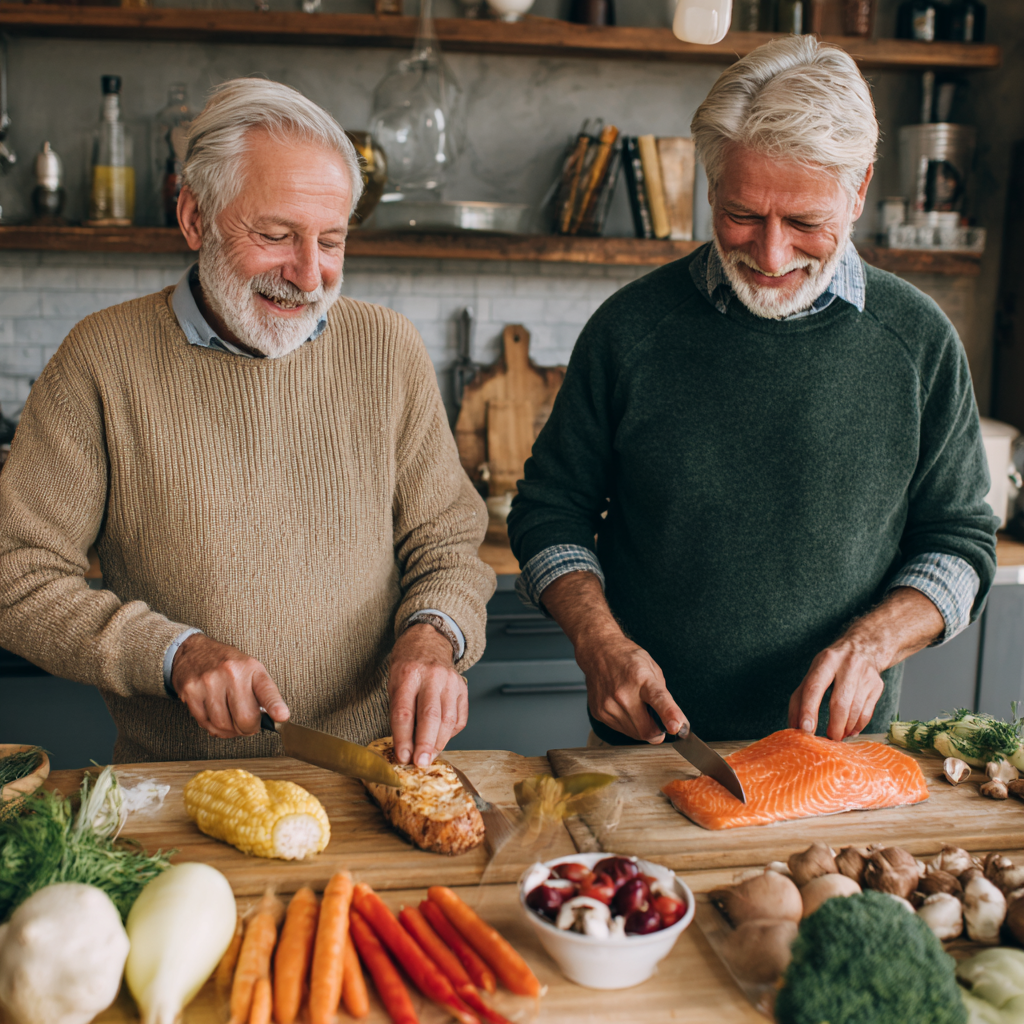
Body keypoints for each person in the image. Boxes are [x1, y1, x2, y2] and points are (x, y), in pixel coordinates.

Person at [506, 36, 997, 747]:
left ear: (857, 191)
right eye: (742, 214)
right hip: (654, 747)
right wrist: (597, 642)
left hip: (837, 753)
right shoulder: (631, 329)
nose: (770, 256)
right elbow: (551, 511)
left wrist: (875, 643)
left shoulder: (918, 341)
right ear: (710, 187)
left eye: (803, 222)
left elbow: (960, 543)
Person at [0, 78, 495, 766]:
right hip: (178, 781)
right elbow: (16, 573)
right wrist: (172, 654)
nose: (308, 274)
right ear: (196, 218)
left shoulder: (387, 349)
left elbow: (449, 545)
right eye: (275, 234)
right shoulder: (101, 358)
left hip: (374, 772)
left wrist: (433, 633)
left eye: (330, 241)